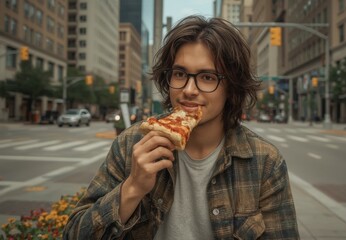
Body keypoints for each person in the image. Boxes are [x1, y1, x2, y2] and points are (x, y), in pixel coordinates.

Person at [64, 15, 299, 239]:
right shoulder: (132, 144)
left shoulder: (265, 162)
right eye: (180, 74)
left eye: (207, 77)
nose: (188, 89)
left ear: (232, 88)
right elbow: (74, 234)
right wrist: (133, 188)